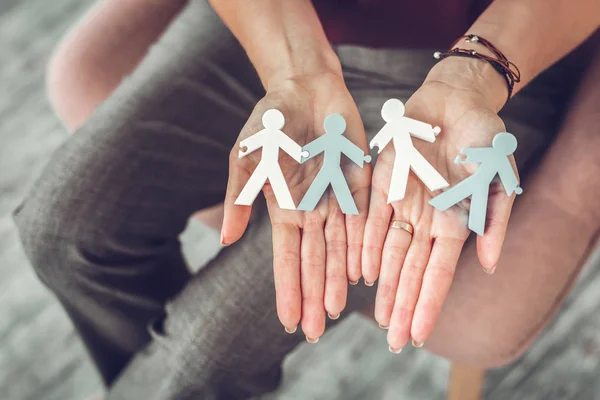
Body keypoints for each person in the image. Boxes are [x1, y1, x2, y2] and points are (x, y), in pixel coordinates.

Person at [13, 0, 600, 398]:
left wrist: (473, 75)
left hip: (491, 53)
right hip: (284, 26)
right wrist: (294, 70)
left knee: (201, 355)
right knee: (59, 230)